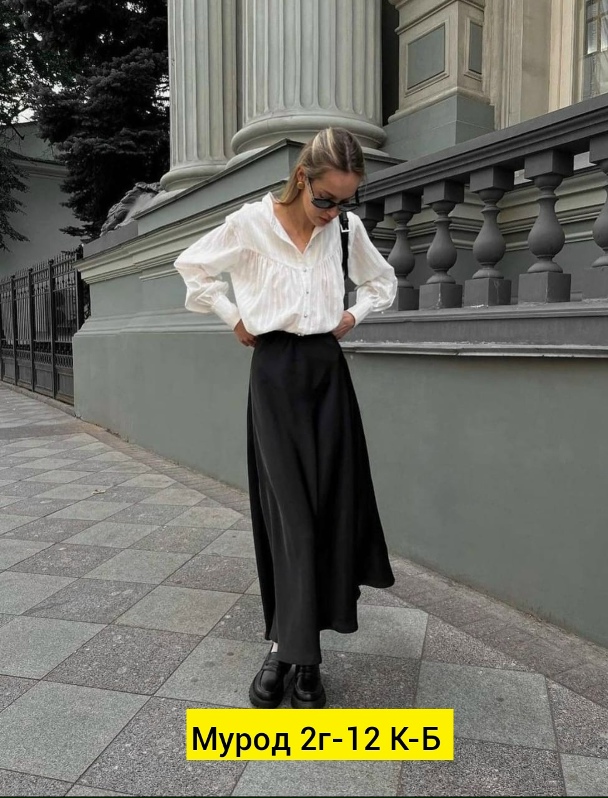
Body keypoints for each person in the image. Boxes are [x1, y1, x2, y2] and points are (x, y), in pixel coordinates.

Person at [174, 127, 397, 709]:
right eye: (326, 199)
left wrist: (352, 316)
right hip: (273, 373)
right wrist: (231, 315)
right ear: (302, 178)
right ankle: (289, 649)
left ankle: (299, 654)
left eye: (344, 201)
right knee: (290, 517)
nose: (333, 212)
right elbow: (192, 266)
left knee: (327, 512)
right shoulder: (250, 223)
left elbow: (382, 282)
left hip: (327, 374)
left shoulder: (345, 230)